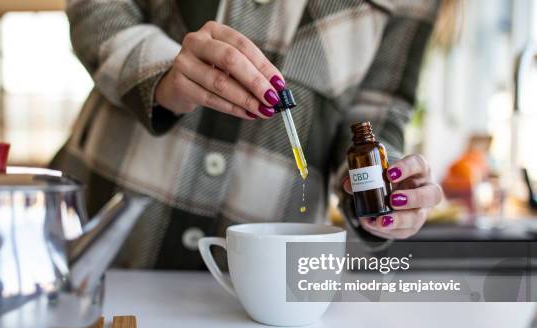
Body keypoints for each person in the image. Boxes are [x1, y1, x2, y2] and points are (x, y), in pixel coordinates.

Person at [52, 0, 445, 270]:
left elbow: (379, 109)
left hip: (268, 272)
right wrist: (162, 72)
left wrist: (382, 183)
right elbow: (98, 8)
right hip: (107, 229)